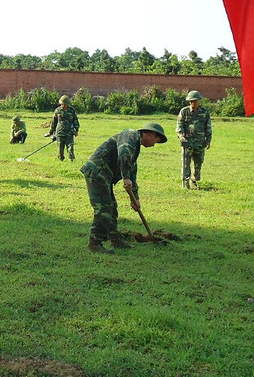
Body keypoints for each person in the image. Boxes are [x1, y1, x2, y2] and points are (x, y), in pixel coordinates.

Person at [80, 122, 168, 254]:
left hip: (105, 176)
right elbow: (123, 154)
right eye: (156, 139)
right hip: (97, 172)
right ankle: (94, 243)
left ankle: (115, 239)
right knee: (104, 209)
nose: (154, 144)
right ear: (150, 134)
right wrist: (125, 177)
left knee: (112, 208)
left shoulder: (135, 146)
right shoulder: (130, 135)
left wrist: (135, 199)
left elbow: (132, 173)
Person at [176, 90, 212, 189]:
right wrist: (181, 136)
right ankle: (185, 183)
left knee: (198, 162)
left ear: (199, 101)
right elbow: (179, 126)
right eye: (191, 101)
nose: (193, 103)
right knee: (185, 163)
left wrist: (208, 140)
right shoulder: (184, 112)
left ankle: (194, 179)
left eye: (195, 101)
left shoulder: (205, 113)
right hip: (187, 142)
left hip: (200, 143)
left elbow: (208, 127)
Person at [46, 95, 80, 161]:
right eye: (62, 104)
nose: (63, 105)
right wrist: (50, 132)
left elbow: (75, 120)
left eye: (65, 104)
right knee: (60, 149)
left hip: (69, 132)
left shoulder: (72, 110)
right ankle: (61, 160)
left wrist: (76, 130)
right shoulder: (57, 111)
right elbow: (54, 122)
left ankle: (71, 160)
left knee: (70, 147)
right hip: (60, 132)